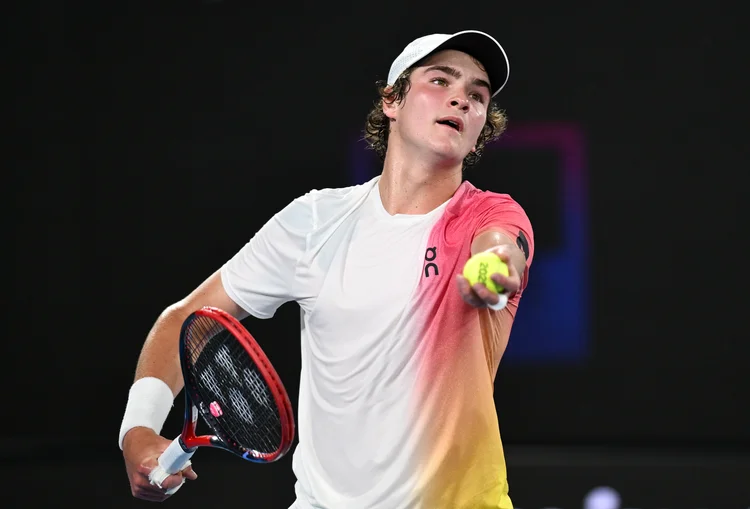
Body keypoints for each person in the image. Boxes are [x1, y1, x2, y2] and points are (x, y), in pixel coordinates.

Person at [119, 29, 535, 508]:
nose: (461, 99)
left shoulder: (491, 215)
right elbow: (186, 321)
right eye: (440, 80)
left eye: (477, 95)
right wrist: (138, 428)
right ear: (392, 101)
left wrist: (494, 267)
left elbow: (503, 247)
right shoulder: (314, 221)